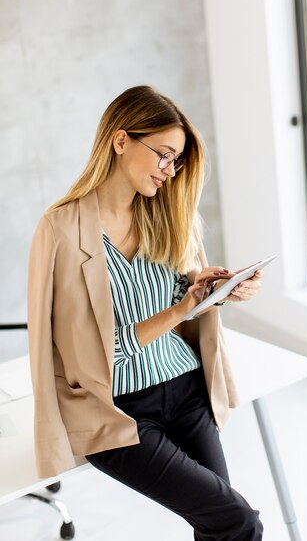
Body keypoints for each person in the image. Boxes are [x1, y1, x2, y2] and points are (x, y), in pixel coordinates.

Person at [27, 85, 265, 540]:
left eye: (176, 161)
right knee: (238, 522)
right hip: (121, 412)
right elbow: (85, 353)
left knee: (220, 525)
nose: (170, 171)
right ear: (121, 140)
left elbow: (186, 303)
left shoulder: (171, 215)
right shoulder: (60, 229)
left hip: (187, 390)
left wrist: (215, 292)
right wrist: (181, 309)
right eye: (163, 155)